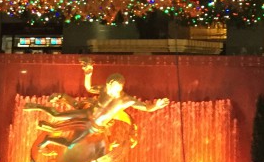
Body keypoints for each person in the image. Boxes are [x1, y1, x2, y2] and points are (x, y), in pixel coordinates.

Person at [26, 59, 169, 150]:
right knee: (55, 115)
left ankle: (49, 139)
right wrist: (88, 73)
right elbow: (89, 88)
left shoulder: (126, 100)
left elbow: (145, 107)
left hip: (94, 126)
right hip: (87, 114)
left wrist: (156, 106)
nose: (109, 88)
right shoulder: (104, 89)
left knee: (70, 144)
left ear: (119, 86)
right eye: (108, 85)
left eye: (112, 86)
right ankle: (36, 106)